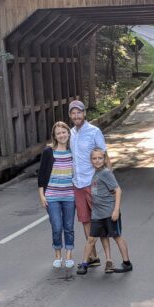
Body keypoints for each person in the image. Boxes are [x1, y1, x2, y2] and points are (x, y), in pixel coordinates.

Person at [76, 148, 132, 275]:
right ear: (91, 160)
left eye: (100, 158)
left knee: (117, 237)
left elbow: (118, 190)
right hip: (97, 214)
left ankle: (127, 263)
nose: (97, 161)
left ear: (105, 159)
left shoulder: (106, 172)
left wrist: (116, 210)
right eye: (94, 158)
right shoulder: (96, 173)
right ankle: (84, 264)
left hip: (109, 213)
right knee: (91, 239)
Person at [68, 99, 106, 267]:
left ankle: (109, 258)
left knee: (99, 217)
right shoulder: (71, 133)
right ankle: (93, 256)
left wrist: (108, 179)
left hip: (93, 182)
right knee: (85, 220)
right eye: (73, 113)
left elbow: (104, 155)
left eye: (79, 112)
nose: (76, 115)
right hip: (77, 183)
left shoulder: (94, 131)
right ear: (70, 115)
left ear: (84, 113)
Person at [37, 121, 76, 268]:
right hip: (52, 195)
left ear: (68, 133)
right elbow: (41, 176)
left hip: (69, 195)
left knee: (69, 226)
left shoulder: (73, 150)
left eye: (64, 132)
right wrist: (42, 195)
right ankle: (57, 255)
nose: (62, 135)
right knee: (57, 226)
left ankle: (69, 255)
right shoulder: (49, 152)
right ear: (54, 136)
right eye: (58, 133)